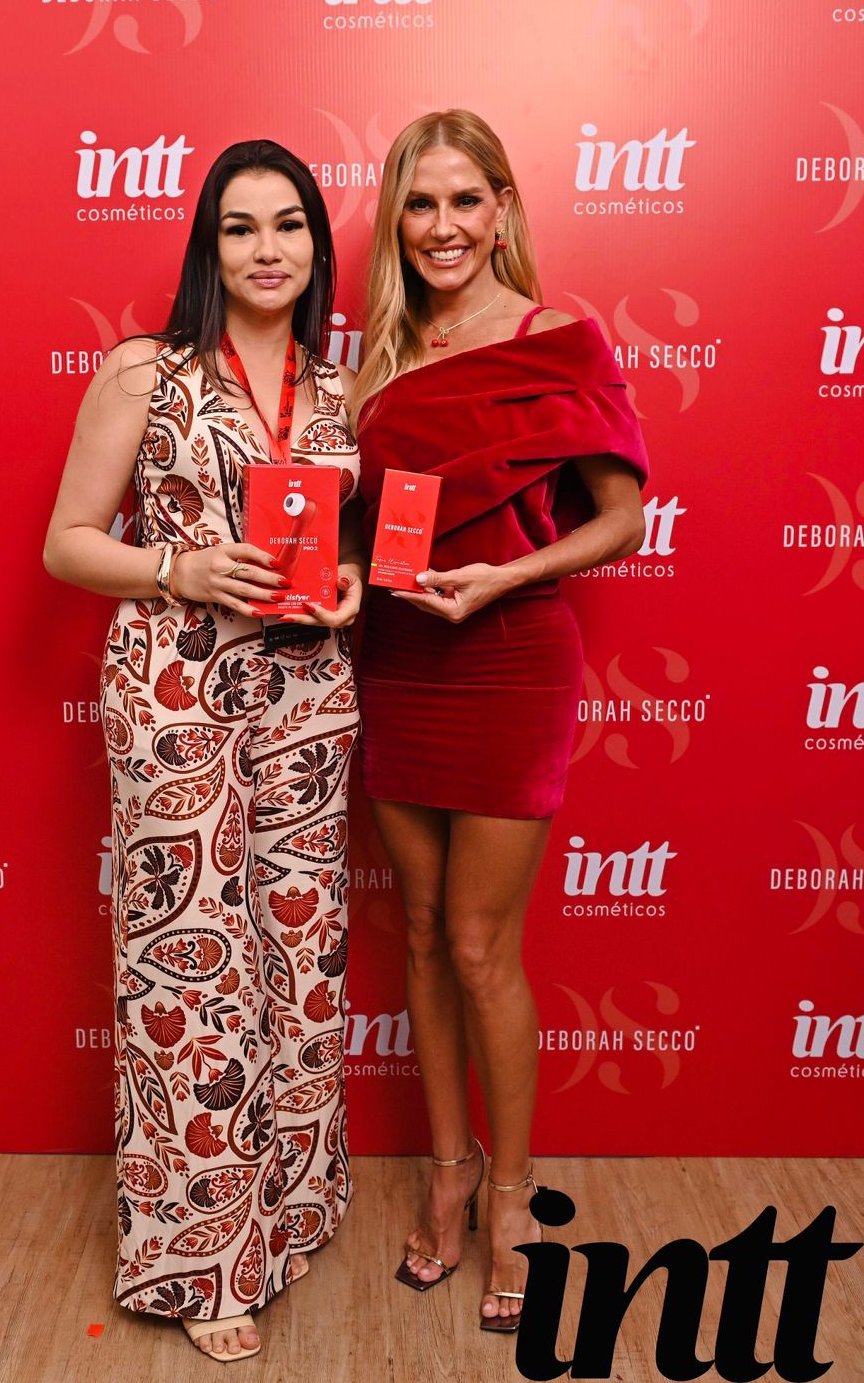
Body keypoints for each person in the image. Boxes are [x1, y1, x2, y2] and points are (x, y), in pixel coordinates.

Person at [44, 140, 364, 1364]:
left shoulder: (342, 391)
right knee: (194, 969)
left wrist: (348, 582)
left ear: (316, 246)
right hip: (175, 693)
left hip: (308, 693)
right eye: (240, 227)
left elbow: (342, 549)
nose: (267, 248)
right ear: (208, 246)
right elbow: (68, 541)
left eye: (288, 225)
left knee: (301, 954)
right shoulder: (147, 368)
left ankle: (291, 1212)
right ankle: (204, 1260)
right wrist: (175, 566)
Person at [351, 109, 648, 1335]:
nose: (442, 227)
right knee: (421, 932)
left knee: (479, 946)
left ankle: (515, 1198)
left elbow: (620, 518)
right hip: (399, 658)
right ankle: (448, 1172)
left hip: (511, 655)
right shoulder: (375, 356)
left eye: (464, 200)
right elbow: (364, 526)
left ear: (502, 209)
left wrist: (508, 578)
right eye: (420, 204)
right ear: (397, 220)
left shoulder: (555, 338)